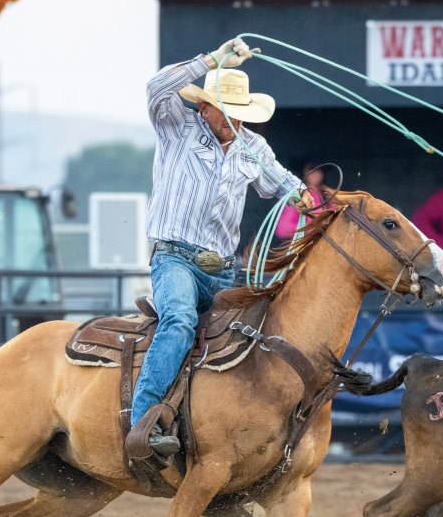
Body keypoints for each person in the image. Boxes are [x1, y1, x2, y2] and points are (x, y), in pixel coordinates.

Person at [129, 37, 314, 457]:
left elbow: (283, 184)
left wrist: (308, 198)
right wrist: (210, 60)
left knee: (256, 334)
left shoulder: (253, 147)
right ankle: (143, 420)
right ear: (205, 108)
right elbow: (157, 87)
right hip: (174, 255)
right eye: (229, 112)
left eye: (241, 114)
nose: (236, 121)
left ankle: (239, 430)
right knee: (177, 321)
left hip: (221, 269)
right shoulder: (177, 127)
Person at [275, 159, 325, 239]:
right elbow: (283, 229)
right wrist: (307, 229)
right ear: (304, 172)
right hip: (304, 246)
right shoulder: (296, 197)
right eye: (311, 169)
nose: (315, 173)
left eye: (319, 169)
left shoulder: (329, 197)